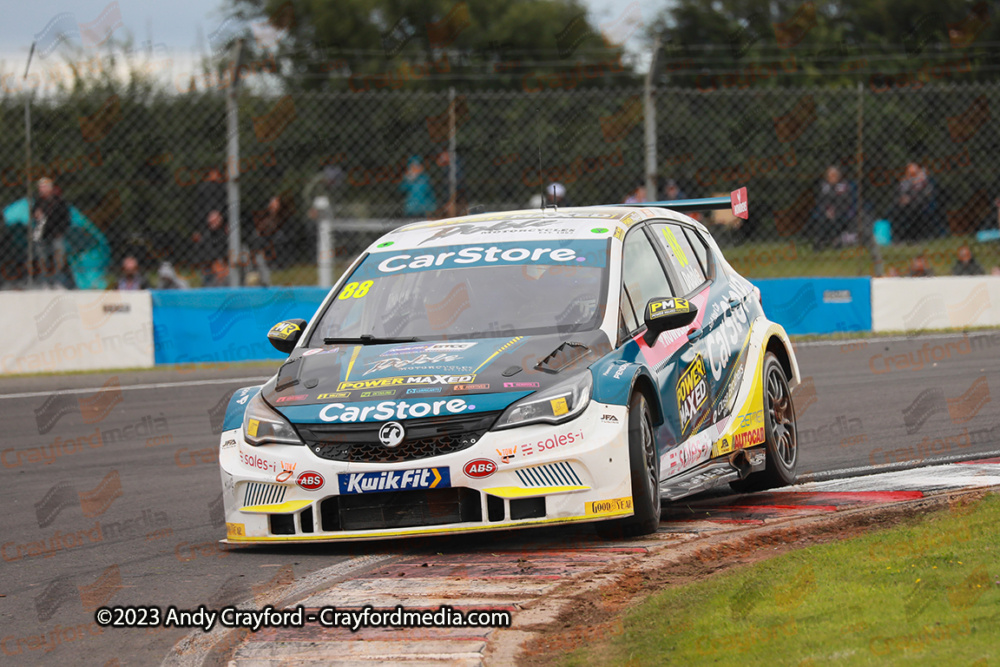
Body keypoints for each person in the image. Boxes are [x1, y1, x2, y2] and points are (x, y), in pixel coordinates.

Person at [31, 177, 73, 288]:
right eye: (40, 187)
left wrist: (61, 231)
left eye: (43, 187)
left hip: (56, 234)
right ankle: (45, 281)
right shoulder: (38, 202)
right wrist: (36, 214)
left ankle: (57, 281)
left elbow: (66, 218)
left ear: (50, 188)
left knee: (58, 258)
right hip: (42, 234)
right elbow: (34, 215)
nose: (41, 189)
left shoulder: (59, 202)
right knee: (42, 258)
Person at [809, 166, 855, 251]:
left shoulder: (844, 186)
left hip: (841, 211)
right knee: (821, 220)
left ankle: (836, 240)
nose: (832, 177)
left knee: (836, 219)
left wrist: (835, 210)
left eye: (834, 175)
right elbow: (820, 201)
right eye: (830, 175)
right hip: (825, 212)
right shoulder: (824, 186)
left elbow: (847, 202)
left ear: (838, 176)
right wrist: (826, 211)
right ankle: (819, 242)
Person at [889, 163, 937, 242]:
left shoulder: (925, 181)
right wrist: (902, 198)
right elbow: (899, 193)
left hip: (921, 204)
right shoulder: (905, 182)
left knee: (914, 210)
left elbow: (927, 194)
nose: (912, 175)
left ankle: (916, 238)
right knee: (895, 210)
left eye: (914, 172)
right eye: (909, 173)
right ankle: (900, 239)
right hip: (905, 205)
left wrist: (910, 198)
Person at [192, 209, 229, 286]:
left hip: (223, 264)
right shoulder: (205, 236)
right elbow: (201, 254)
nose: (213, 222)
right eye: (212, 220)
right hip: (209, 266)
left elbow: (226, 252)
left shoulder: (225, 234)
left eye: (216, 220)